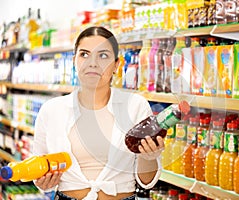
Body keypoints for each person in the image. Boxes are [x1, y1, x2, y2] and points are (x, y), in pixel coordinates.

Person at [33, 26, 164, 200]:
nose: (92, 63)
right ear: (74, 61)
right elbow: (39, 169)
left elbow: (146, 181)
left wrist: (149, 157)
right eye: (84, 54)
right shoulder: (51, 110)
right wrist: (43, 181)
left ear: (117, 65)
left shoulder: (135, 106)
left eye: (103, 55)